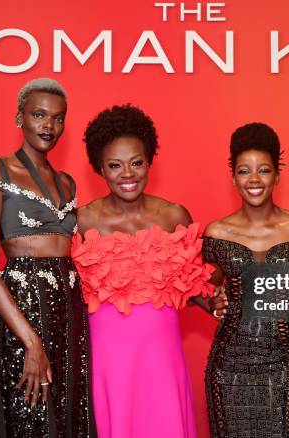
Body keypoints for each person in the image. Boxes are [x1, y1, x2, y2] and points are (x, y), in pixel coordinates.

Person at [71, 104, 216, 438]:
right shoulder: (82, 220)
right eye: (114, 165)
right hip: (107, 360)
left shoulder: (173, 215)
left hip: (161, 357)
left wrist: (222, 301)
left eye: (136, 162)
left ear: (149, 161)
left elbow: (194, 285)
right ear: (99, 168)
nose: (127, 174)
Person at [0, 78, 96, 437]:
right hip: (24, 314)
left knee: (68, 412)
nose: (49, 125)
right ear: (19, 118)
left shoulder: (68, 183)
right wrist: (31, 342)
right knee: (30, 416)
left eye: (58, 118)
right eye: (39, 115)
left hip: (69, 313)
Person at [202, 123, 289, 438]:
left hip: (285, 366)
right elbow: (197, 285)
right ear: (233, 178)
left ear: (277, 176)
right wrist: (212, 301)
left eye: (264, 170)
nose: (254, 179)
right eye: (244, 171)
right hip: (229, 367)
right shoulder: (216, 233)